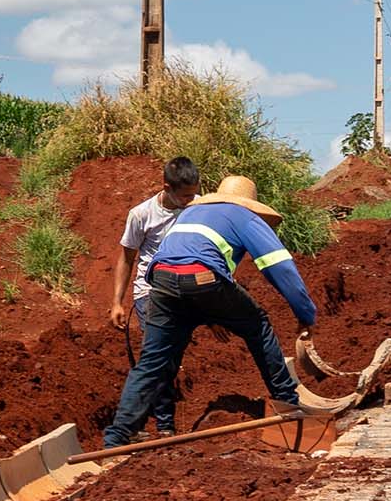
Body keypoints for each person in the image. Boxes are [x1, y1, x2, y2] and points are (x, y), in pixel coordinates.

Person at [101, 175, 314, 445]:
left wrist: (211, 313)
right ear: (250, 204)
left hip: (161, 282)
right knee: (258, 326)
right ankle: (290, 408)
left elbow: (184, 261)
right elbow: (278, 264)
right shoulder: (244, 216)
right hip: (202, 279)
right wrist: (305, 314)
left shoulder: (193, 213)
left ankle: (117, 436)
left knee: (152, 362)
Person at [106, 156, 201, 433]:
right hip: (151, 293)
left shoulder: (199, 207)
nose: (189, 200)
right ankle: (163, 424)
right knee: (157, 356)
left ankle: (152, 417)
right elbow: (126, 258)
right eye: (184, 195)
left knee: (171, 358)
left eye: (193, 194)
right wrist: (116, 303)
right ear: (166, 187)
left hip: (186, 291)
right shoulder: (142, 214)